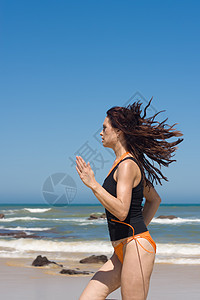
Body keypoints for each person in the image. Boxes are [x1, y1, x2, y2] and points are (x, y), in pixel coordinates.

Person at [76, 98, 183, 300]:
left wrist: (93, 184)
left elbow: (122, 210)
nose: (101, 132)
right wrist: (138, 228)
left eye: (104, 128)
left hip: (137, 247)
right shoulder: (124, 164)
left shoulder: (127, 165)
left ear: (118, 131)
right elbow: (155, 200)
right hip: (122, 249)